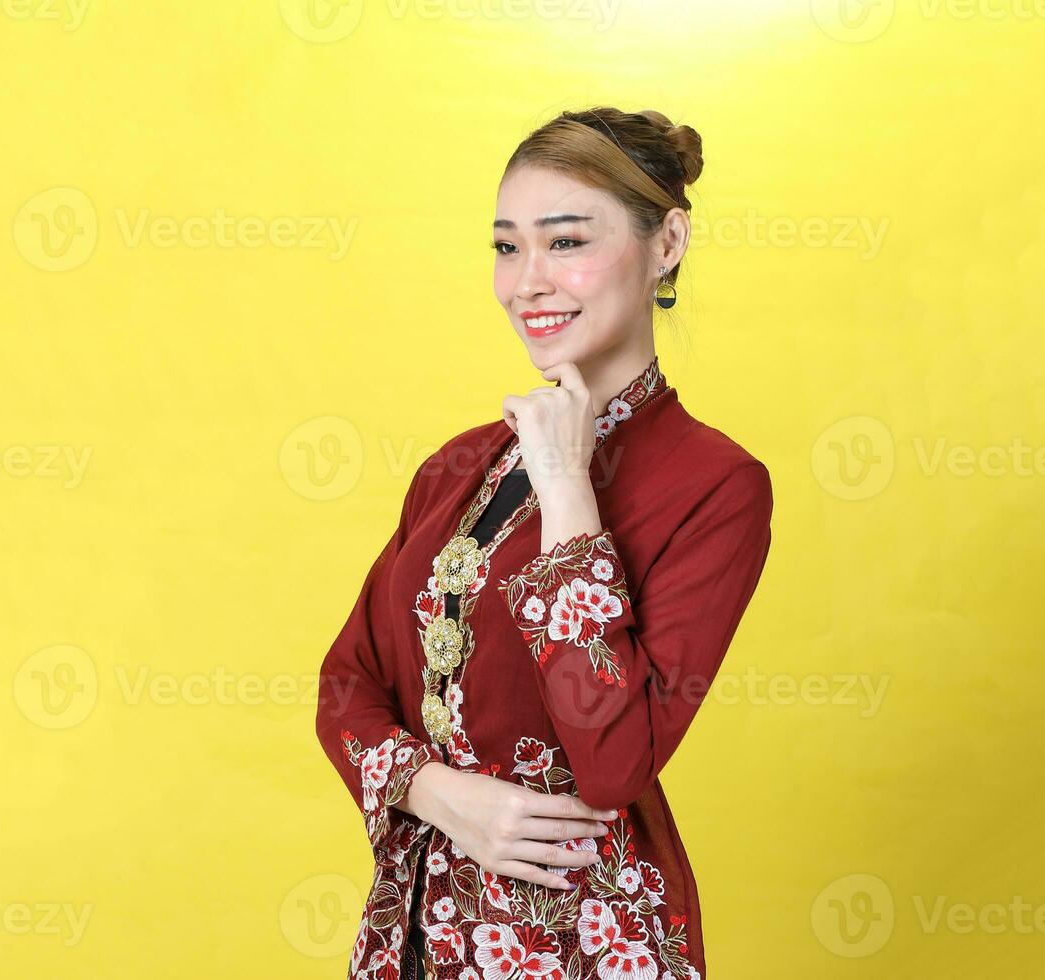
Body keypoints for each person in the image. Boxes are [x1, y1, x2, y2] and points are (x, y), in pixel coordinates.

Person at [316, 106, 774, 980]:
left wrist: (567, 487)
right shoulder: (455, 467)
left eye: (565, 243)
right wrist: (438, 793)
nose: (526, 282)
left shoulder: (714, 485)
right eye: (505, 247)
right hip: (418, 925)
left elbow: (612, 761)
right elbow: (346, 688)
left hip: (581, 934)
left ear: (666, 242)